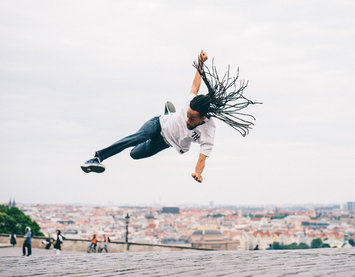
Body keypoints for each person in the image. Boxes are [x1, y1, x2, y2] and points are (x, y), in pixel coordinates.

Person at [81, 50, 259, 183]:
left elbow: (202, 157)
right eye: (187, 116)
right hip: (158, 125)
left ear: (203, 118)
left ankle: (169, 113)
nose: (188, 120)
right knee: (139, 137)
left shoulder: (209, 130)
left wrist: (198, 173)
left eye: (192, 119)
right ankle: (98, 157)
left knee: (134, 155)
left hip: (165, 142)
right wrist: (200, 64)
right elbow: (195, 85)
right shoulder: (191, 102)